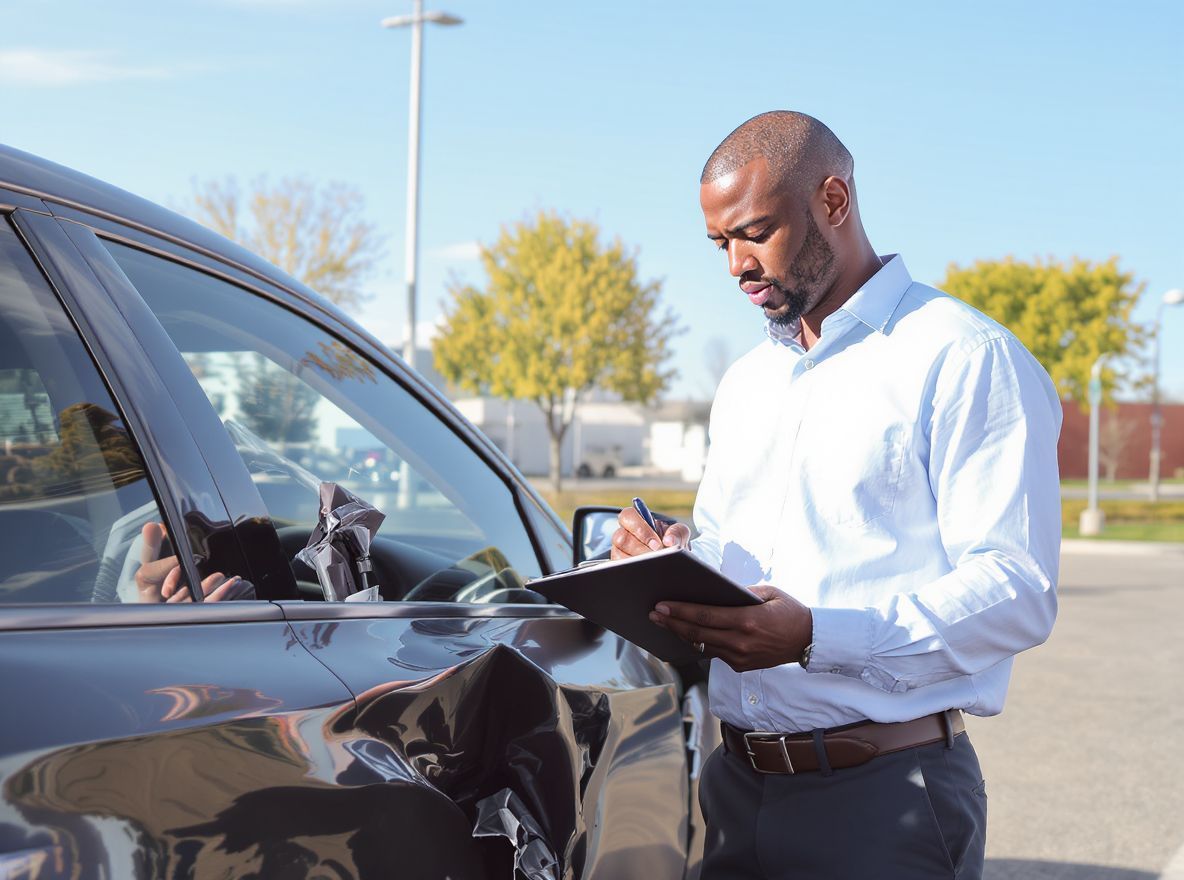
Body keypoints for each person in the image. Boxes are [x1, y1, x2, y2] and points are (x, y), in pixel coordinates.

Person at [612, 111, 1061, 879]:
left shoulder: (963, 356)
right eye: (721, 244)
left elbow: (1015, 590)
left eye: (755, 232)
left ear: (834, 201)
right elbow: (736, 551)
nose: (736, 266)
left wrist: (816, 635)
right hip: (731, 790)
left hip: (883, 804)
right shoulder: (748, 382)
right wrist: (674, 561)